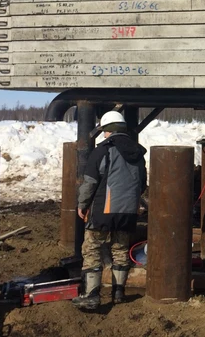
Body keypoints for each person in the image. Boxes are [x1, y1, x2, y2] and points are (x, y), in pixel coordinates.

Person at [72, 111, 147, 310]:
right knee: (120, 249)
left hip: (103, 210)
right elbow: (142, 185)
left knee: (91, 249)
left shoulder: (102, 151)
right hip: (128, 211)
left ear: (107, 130)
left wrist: (82, 205)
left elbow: (89, 183)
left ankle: (91, 295)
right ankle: (119, 293)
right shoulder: (139, 153)